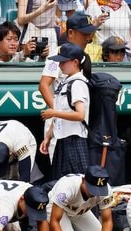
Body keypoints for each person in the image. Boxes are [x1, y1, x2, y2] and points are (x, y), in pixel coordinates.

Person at [38, 12, 97, 161]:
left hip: (78, 128)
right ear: (71, 33)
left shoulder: (84, 56)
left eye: (89, 34)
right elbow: (44, 86)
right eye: (84, 34)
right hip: (60, 128)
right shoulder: (57, 55)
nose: (88, 38)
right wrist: (58, 112)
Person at [40, 43, 90, 180]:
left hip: (75, 140)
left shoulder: (78, 83)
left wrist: (54, 113)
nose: (60, 65)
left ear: (75, 62)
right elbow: (61, 113)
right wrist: (48, 136)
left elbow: (80, 115)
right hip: (62, 139)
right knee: (59, 184)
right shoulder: (66, 82)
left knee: (77, 183)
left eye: (63, 61)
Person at [46, 166, 116, 231]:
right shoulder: (67, 187)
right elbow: (55, 220)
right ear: (83, 181)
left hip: (80, 210)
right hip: (57, 208)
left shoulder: (107, 190)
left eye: (99, 190)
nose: (96, 193)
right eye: (93, 189)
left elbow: (107, 220)